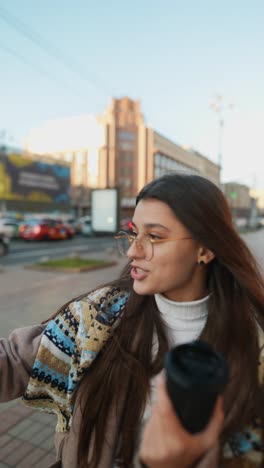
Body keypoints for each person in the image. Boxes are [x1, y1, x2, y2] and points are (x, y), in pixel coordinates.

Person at [1, 173, 264, 468]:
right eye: (134, 233)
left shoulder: (254, 351)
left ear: (204, 248)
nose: (132, 251)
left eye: (154, 236)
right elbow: (16, 360)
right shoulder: (99, 313)